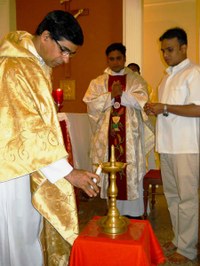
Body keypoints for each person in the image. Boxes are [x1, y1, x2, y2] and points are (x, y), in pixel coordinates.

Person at [0, 10, 100, 266]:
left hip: (28, 164)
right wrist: (69, 173)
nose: (65, 60)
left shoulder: (33, 63)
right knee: (17, 239)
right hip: (11, 171)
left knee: (29, 234)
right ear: (45, 37)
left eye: (71, 54)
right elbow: (27, 129)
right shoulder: (15, 67)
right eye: (64, 50)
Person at [144, 27, 200, 264]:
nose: (165, 54)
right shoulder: (167, 77)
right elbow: (168, 110)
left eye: (170, 49)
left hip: (187, 147)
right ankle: (179, 239)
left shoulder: (194, 73)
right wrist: (154, 108)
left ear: (183, 48)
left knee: (187, 198)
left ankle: (187, 249)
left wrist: (164, 107)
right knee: (173, 196)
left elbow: (198, 108)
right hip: (167, 146)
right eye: (163, 50)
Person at [83, 43, 154, 219]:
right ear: (107, 59)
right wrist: (110, 96)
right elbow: (91, 105)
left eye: (119, 58)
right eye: (111, 58)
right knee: (111, 167)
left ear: (124, 58)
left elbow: (142, 102)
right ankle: (114, 210)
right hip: (108, 136)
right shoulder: (98, 82)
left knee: (130, 170)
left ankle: (134, 212)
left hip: (130, 136)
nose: (115, 62)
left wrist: (121, 95)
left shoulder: (136, 80)